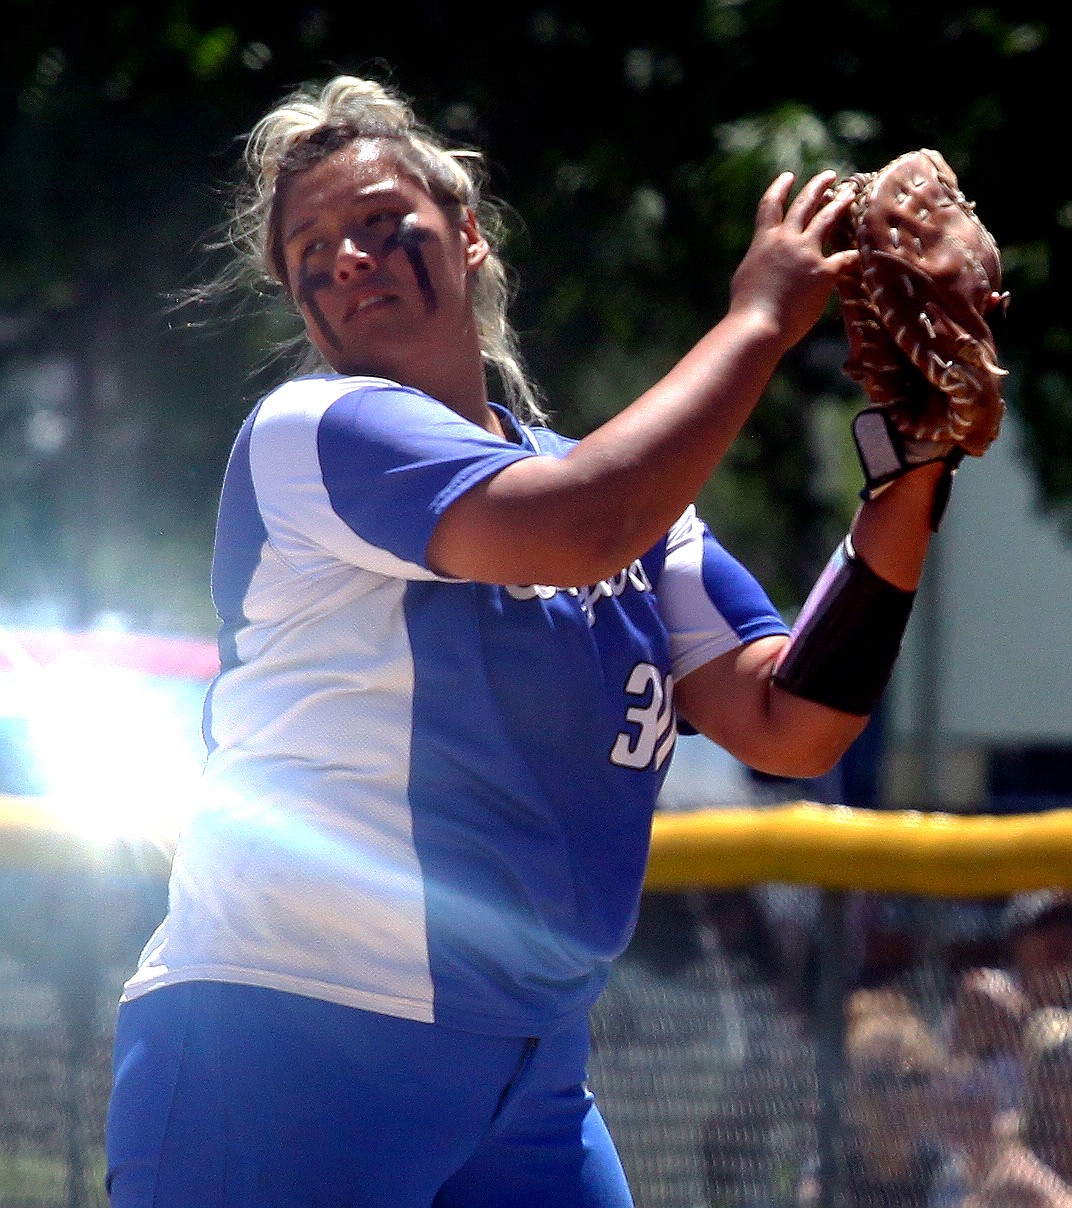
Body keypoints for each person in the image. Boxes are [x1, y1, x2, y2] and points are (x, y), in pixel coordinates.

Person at [104, 73, 968, 1208]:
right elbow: (576, 527)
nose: (348, 257)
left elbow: (789, 718)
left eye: (379, 223)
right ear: (300, 302)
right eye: (311, 248)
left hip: (529, 1069)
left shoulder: (613, 491)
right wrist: (759, 316)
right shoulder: (313, 432)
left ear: (466, 235)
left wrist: (908, 481)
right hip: (282, 1037)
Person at [796, 988, 962, 1208]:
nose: (898, 1097)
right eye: (879, 1081)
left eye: (912, 1080)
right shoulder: (825, 1184)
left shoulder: (951, 1178)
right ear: (848, 1094)